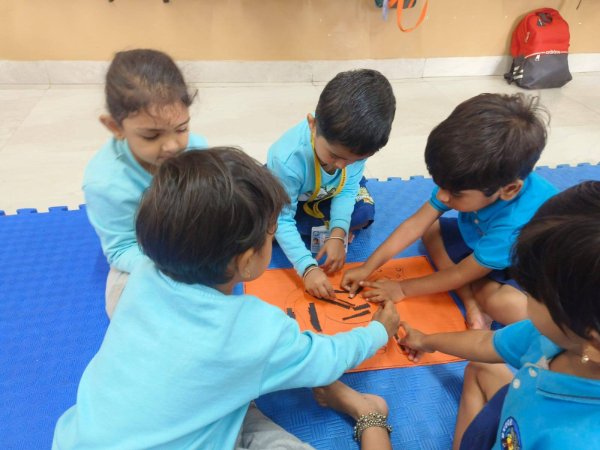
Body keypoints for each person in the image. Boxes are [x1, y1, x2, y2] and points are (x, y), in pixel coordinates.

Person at [53, 148, 399, 450]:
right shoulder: (253, 330)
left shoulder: (143, 272)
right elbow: (326, 359)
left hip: (80, 438)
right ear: (246, 261)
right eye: (271, 234)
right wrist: (377, 331)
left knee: (224, 393)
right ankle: (370, 416)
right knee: (242, 392)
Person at [396, 181, 600, 449]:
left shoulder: (572, 440)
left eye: (533, 292)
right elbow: (485, 343)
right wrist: (424, 340)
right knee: (481, 366)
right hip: (517, 415)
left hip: (524, 432)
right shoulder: (556, 338)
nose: (523, 292)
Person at [342, 93, 557, 329]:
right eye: (441, 184)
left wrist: (402, 288)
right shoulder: (466, 178)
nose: (443, 196)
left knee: (498, 302)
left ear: (509, 189)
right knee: (431, 229)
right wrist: (367, 267)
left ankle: (485, 298)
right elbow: (415, 225)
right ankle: (471, 302)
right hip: (485, 242)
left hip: (530, 269)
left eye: (455, 193)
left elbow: (461, 274)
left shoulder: (514, 222)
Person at [83, 48, 207, 318]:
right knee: (123, 307)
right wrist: (172, 269)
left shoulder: (196, 149)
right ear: (115, 127)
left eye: (182, 128)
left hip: (188, 237)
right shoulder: (106, 184)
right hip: (143, 252)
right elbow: (121, 249)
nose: (172, 146)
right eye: (152, 136)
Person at [267, 69, 396, 301]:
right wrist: (307, 268)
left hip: (327, 193)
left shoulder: (353, 150)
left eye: (355, 160)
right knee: (263, 218)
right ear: (312, 124)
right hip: (290, 189)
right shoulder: (286, 160)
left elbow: (347, 188)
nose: (341, 166)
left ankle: (305, 232)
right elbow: (284, 218)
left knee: (364, 212)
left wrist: (338, 232)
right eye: (334, 155)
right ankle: (282, 232)